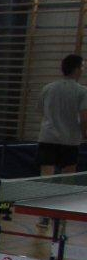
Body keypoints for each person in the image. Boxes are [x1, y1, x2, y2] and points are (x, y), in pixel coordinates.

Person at [35, 54, 87, 228]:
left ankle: (43, 216)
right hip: (70, 140)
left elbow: (40, 110)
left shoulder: (48, 88)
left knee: (46, 177)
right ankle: (62, 214)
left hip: (48, 138)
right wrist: (85, 134)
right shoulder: (82, 91)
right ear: (76, 69)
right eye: (82, 66)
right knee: (68, 178)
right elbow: (84, 117)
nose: (83, 70)